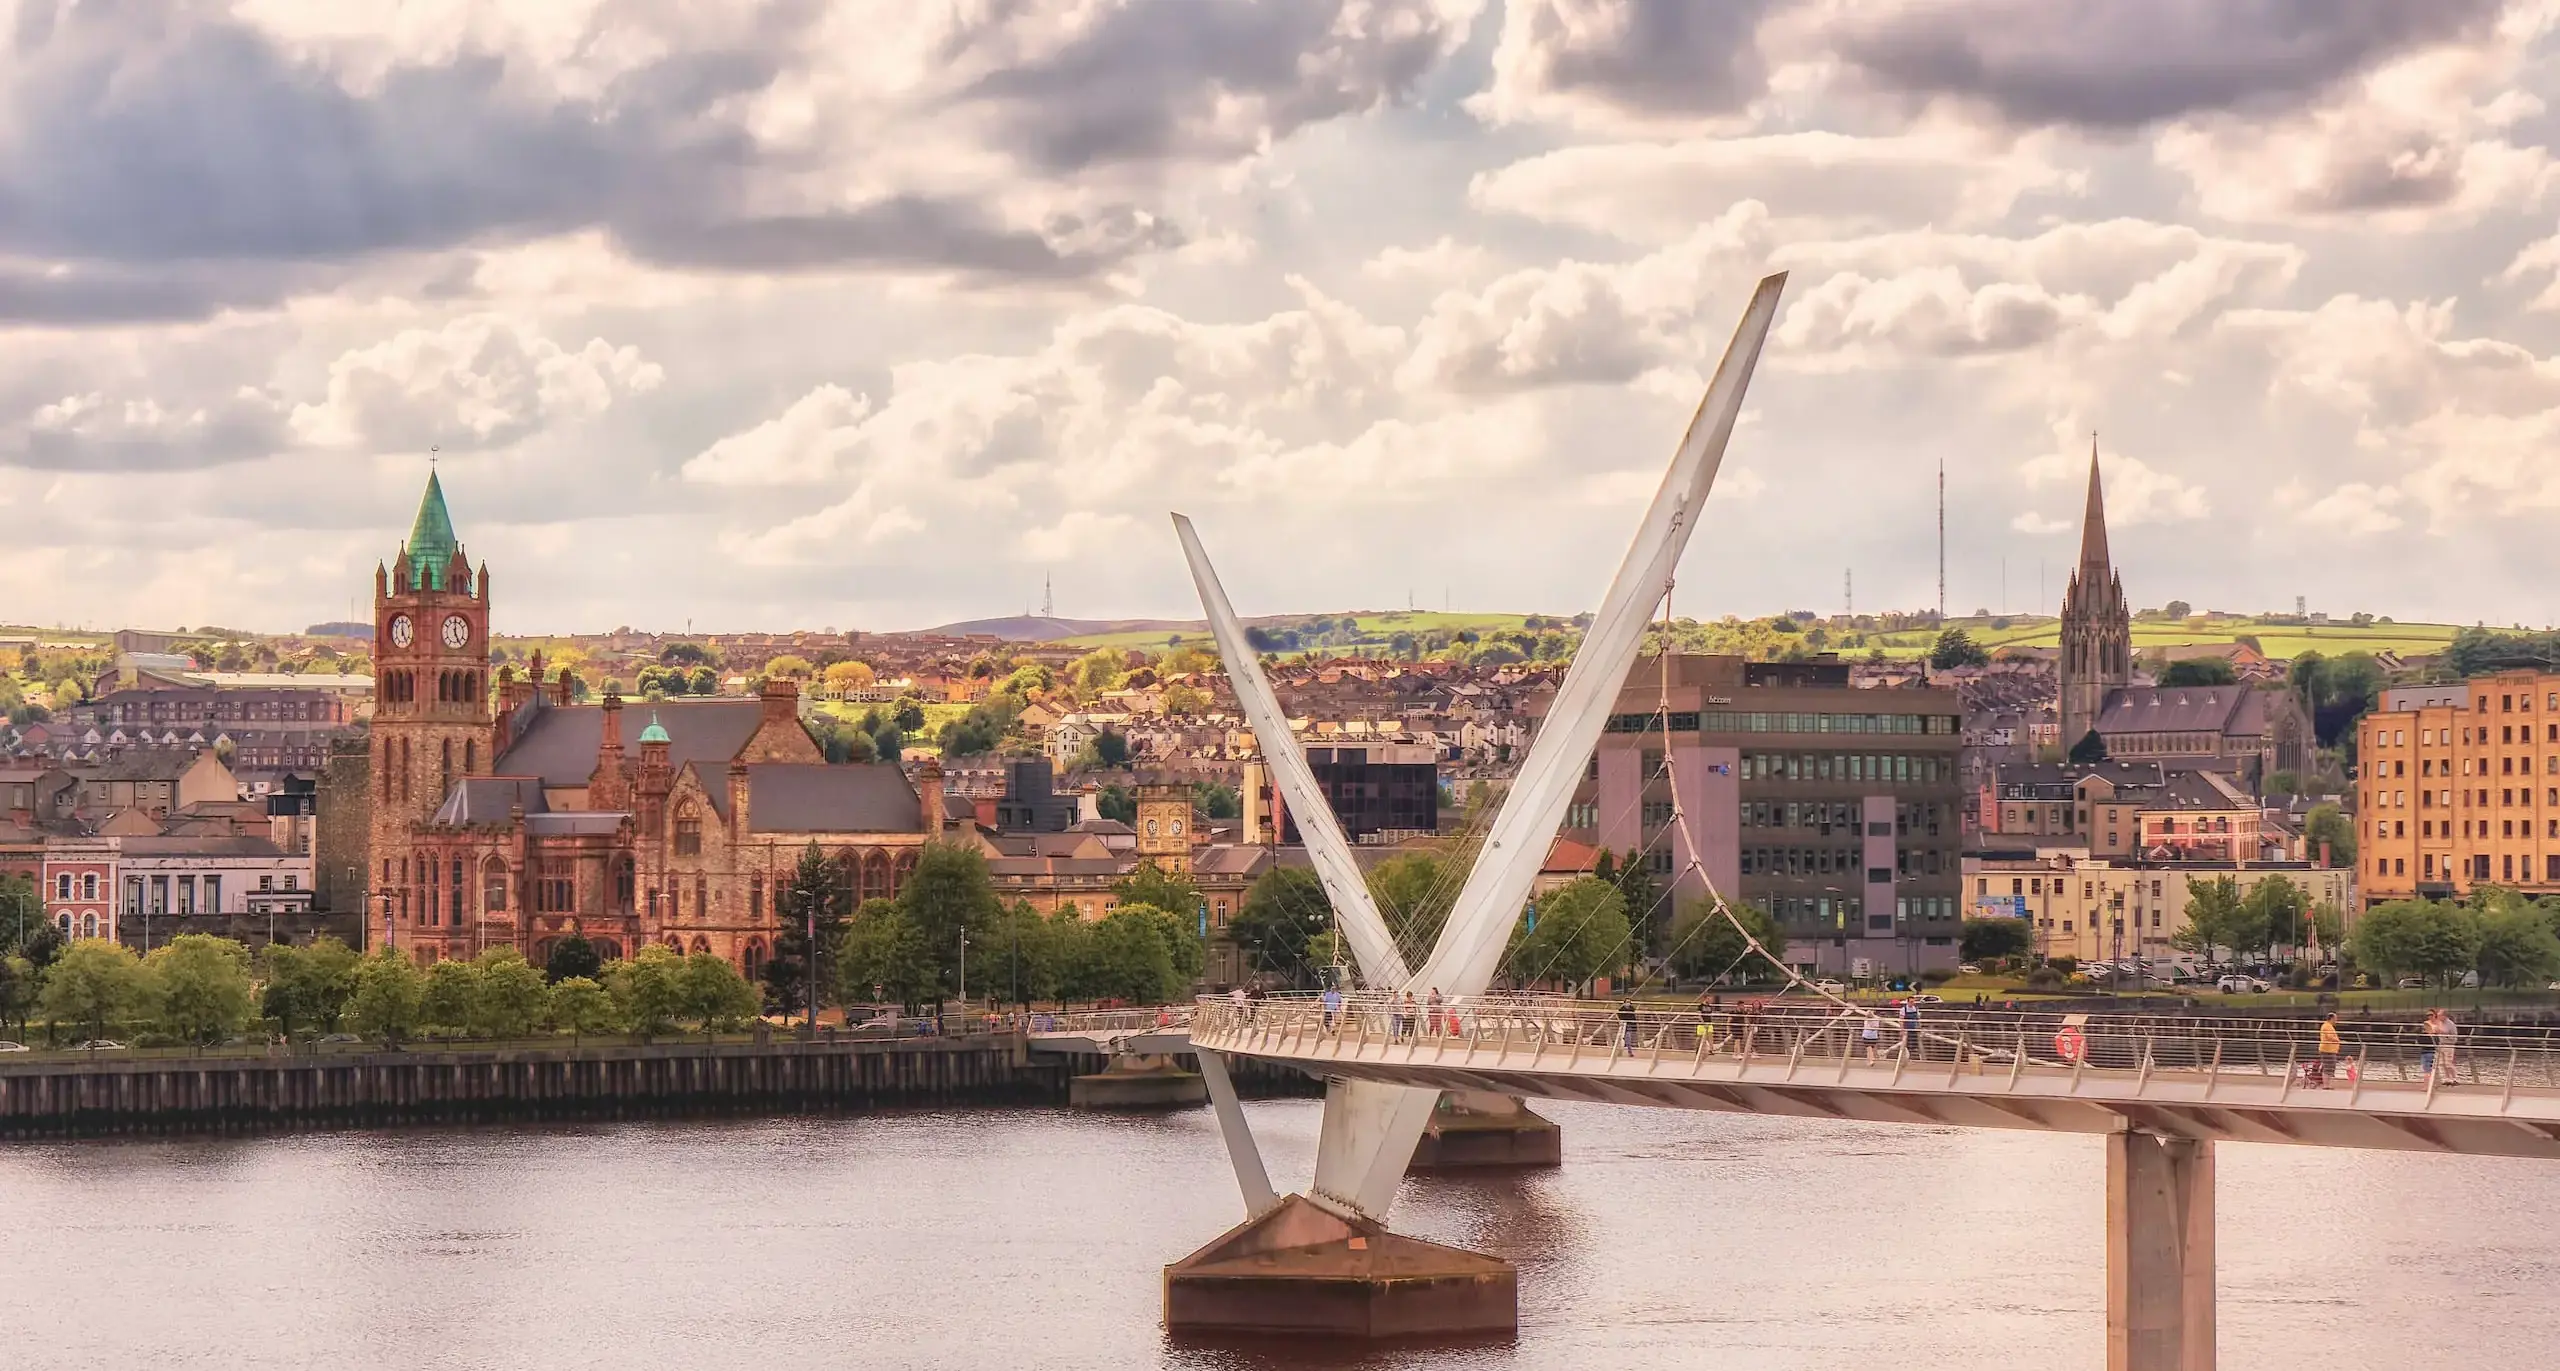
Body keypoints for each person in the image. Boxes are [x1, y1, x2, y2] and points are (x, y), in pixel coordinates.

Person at [2429, 1008, 2460, 1083]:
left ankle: (2455, 1078)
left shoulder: (2450, 1024)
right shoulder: (2439, 1023)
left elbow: (2453, 1037)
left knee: (2448, 1063)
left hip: (2449, 1044)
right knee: (2441, 1063)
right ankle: (2447, 1078)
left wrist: (2442, 1032)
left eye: (2440, 1016)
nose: (2438, 1017)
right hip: (2441, 1044)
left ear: (2444, 1016)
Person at [2318, 1012, 2343, 1087]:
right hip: (2327, 1050)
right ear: (2331, 1018)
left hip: (2329, 1050)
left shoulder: (2327, 1026)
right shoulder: (2327, 1026)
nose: (2336, 1021)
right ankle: (2326, 1085)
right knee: (2328, 1067)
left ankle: (2327, 1085)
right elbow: (2330, 1037)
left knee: (2330, 1066)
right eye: (2335, 1019)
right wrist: (2338, 1041)